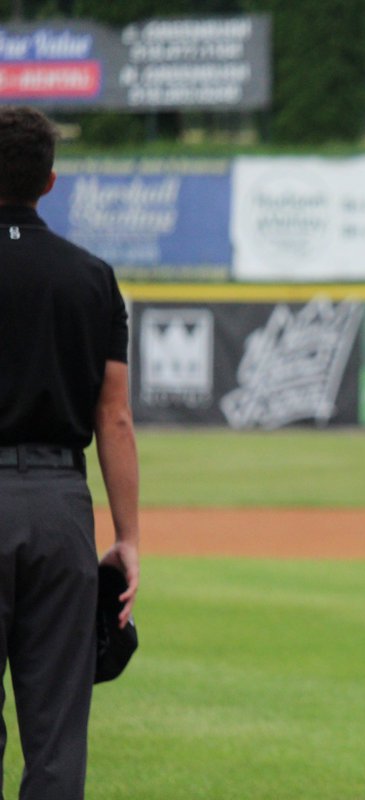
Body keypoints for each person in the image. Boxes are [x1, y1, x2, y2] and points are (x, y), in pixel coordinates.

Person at [0, 106, 140, 800]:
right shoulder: (91, 277)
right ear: (49, 182)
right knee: (56, 736)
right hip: (59, 506)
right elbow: (114, 419)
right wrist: (129, 539)